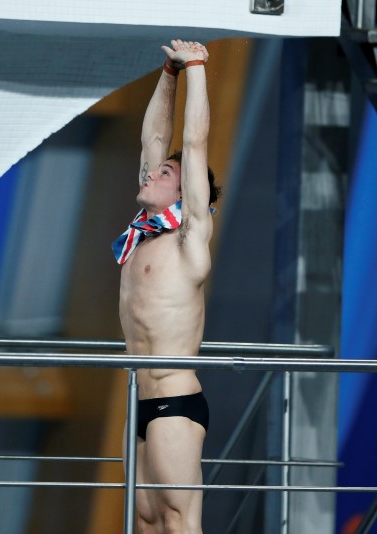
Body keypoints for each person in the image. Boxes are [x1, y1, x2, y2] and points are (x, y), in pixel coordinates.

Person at [112, 39, 220, 534]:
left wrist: (197, 66)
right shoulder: (143, 230)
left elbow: (193, 146)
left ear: (185, 191)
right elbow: (154, 138)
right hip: (138, 398)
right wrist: (170, 73)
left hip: (175, 399)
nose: (153, 173)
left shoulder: (188, 240)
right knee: (146, 520)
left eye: (165, 174)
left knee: (179, 519)